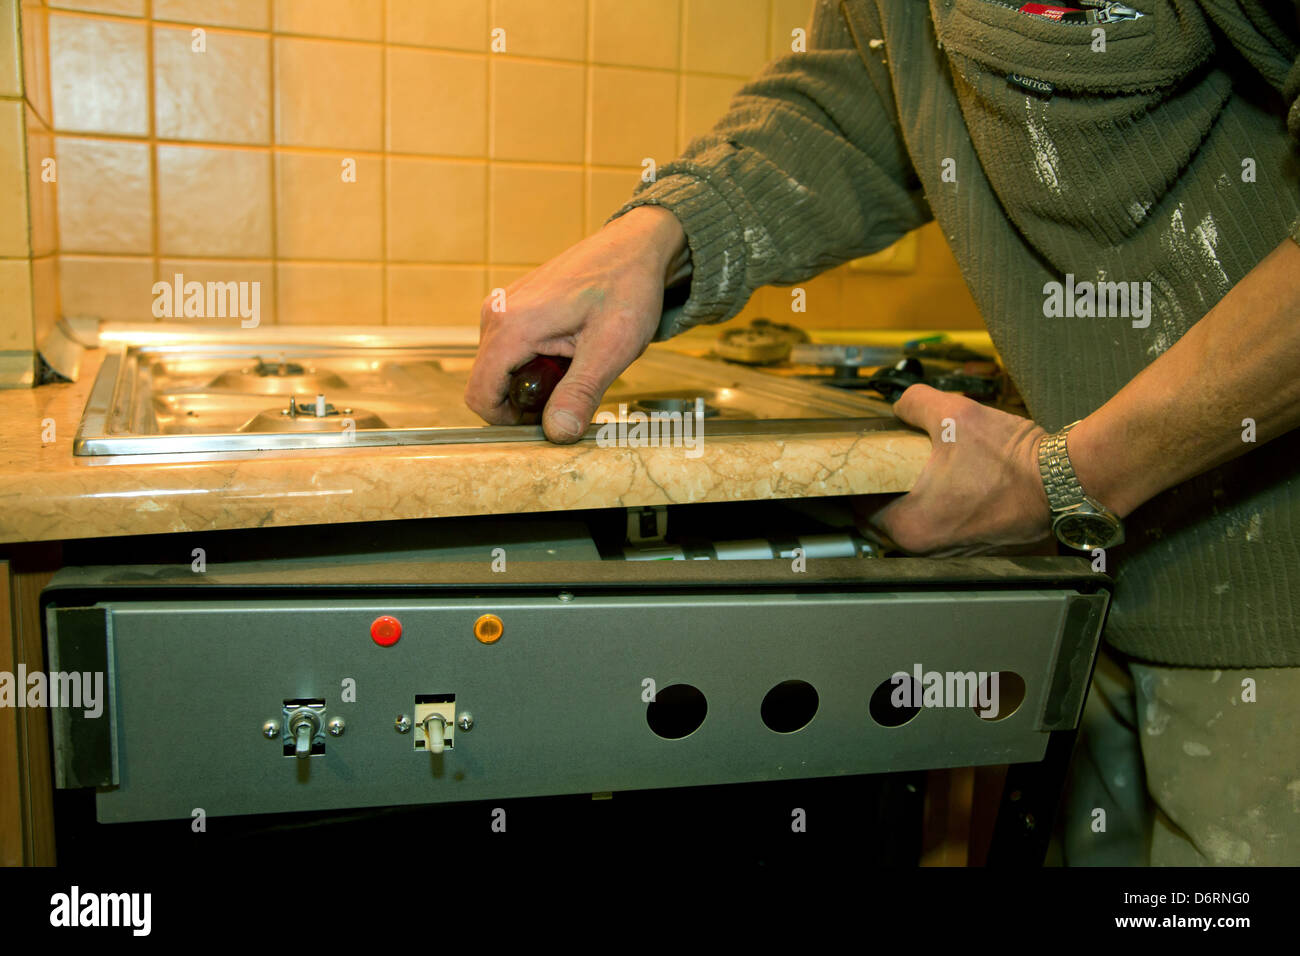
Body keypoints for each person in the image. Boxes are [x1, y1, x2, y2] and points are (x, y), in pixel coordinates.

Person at [465, 0, 1300, 865]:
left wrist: (1069, 477)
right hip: (1104, 591)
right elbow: (856, 100)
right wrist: (657, 235)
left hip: (1273, 626)